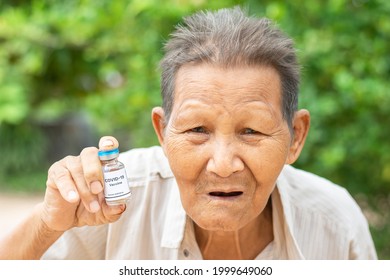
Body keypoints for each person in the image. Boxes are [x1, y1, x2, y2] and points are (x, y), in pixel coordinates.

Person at [0, 6, 377, 260]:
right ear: (163, 132)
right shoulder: (111, 201)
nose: (224, 164)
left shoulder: (334, 223)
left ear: (295, 136)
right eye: (197, 129)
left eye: (252, 131)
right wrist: (48, 222)